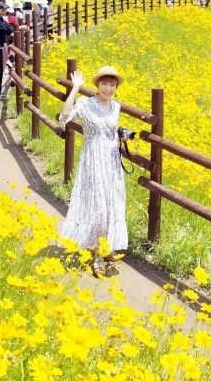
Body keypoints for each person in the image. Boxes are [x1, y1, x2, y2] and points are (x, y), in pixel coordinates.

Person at [58, 66, 129, 277]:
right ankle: (97, 254)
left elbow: (112, 133)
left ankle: (106, 247)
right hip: (93, 159)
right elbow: (64, 117)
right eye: (105, 84)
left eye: (112, 85)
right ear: (97, 85)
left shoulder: (116, 107)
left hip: (111, 160)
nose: (108, 89)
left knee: (113, 203)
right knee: (98, 206)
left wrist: (121, 138)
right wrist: (75, 89)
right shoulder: (85, 104)